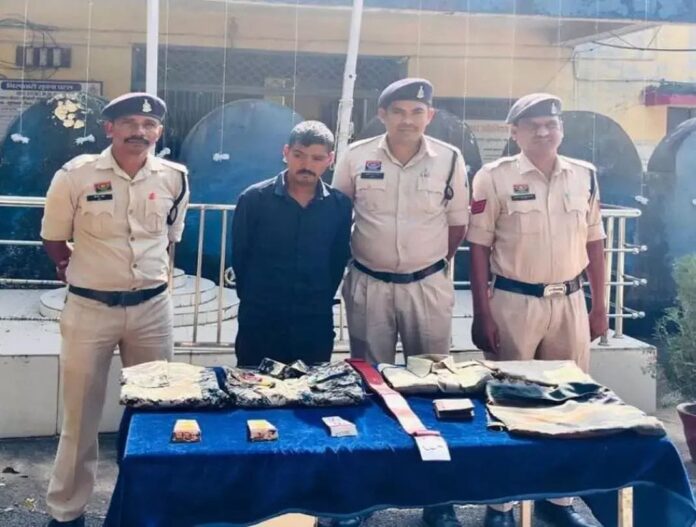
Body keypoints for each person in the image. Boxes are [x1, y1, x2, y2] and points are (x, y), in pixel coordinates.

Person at [41, 92, 189, 527]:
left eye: (148, 125)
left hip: (152, 310)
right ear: (110, 128)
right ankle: (67, 510)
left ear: (159, 132)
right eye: (128, 123)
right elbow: (53, 239)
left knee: (155, 411)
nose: (139, 132)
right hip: (91, 309)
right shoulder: (76, 175)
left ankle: (146, 505)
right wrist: (75, 269)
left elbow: (169, 237)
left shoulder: (175, 178)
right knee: (80, 416)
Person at [332, 78, 469, 527]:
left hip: (426, 286)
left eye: (417, 112)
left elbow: (457, 225)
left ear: (430, 116)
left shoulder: (450, 159)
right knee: (370, 388)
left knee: (433, 390)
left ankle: (437, 498)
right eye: (398, 111)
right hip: (369, 284)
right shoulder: (356, 156)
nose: (407, 120)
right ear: (382, 115)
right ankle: (366, 495)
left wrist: (424, 264)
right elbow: (338, 216)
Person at [466, 93, 608, 527]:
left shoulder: (584, 175)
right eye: (533, 125)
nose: (543, 132)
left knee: (568, 405)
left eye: (551, 124)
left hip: (569, 303)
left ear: (561, 129)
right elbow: (479, 247)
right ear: (515, 132)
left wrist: (600, 306)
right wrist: (482, 312)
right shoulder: (494, 177)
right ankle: (502, 504)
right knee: (509, 405)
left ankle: (558, 500)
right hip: (514, 304)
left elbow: (595, 242)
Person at [231, 120, 351, 367]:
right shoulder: (254, 199)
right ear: (286, 153)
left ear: (330, 160)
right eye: (299, 155)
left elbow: (337, 259)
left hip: (313, 320)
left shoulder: (339, 205)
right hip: (261, 320)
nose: (307, 165)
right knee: (254, 386)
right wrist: (256, 299)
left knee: (311, 386)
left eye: (317, 158)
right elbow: (240, 256)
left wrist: (318, 297)